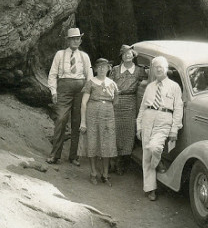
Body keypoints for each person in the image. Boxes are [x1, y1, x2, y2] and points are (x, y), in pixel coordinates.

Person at [136, 56, 183, 201]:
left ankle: (158, 163)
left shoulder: (174, 87)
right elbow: (143, 107)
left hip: (164, 119)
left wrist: (174, 129)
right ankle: (151, 189)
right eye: (155, 67)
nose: (158, 69)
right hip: (148, 118)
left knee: (155, 148)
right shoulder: (150, 87)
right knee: (146, 154)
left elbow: (178, 109)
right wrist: (138, 126)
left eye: (160, 66)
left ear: (166, 68)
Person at [46, 28, 92, 166]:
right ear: (68, 40)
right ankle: (55, 155)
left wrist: (87, 93)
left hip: (80, 90)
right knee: (60, 119)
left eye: (78, 39)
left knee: (77, 122)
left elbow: (89, 76)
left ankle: (74, 156)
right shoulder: (60, 54)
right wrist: (54, 92)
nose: (75, 41)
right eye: (73, 39)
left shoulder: (84, 56)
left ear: (80, 40)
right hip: (64, 89)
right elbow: (53, 74)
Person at [79, 58, 119, 186]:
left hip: (108, 117)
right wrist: (83, 122)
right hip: (92, 116)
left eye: (105, 66)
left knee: (107, 144)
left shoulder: (112, 83)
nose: (102, 69)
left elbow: (116, 101)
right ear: (95, 69)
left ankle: (105, 175)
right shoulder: (90, 83)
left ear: (109, 68)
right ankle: (93, 173)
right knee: (93, 142)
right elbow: (84, 103)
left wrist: (106, 109)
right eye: (99, 67)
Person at [109, 44, 147, 175]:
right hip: (116, 102)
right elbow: (108, 85)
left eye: (129, 53)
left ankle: (121, 161)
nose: (127, 55)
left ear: (133, 55)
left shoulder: (139, 71)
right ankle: (112, 160)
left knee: (128, 132)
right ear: (121, 55)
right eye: (124, 53)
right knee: (114, 130)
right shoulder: (115, 69)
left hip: (130, 103)